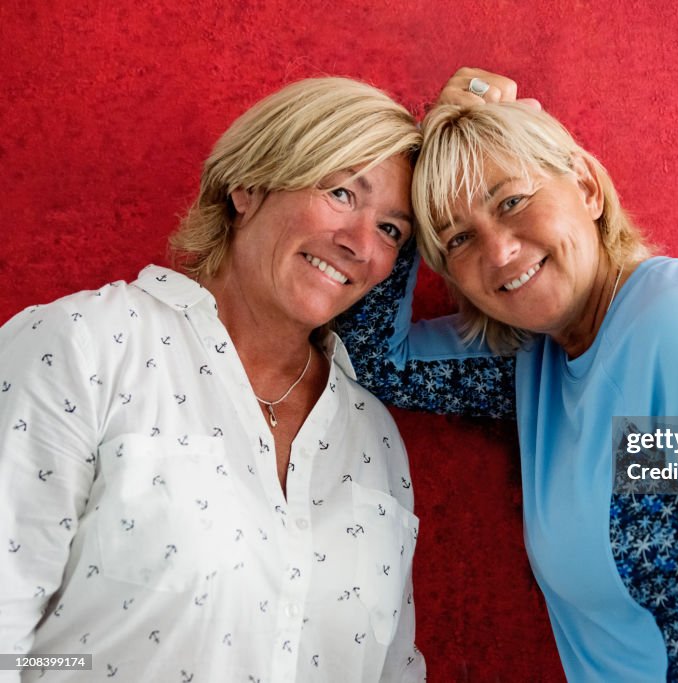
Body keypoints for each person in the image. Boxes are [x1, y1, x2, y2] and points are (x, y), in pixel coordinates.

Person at [337, 69, 678, 682]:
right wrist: (413, 173)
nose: (497, 252)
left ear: (588, 187)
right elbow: (375, 361)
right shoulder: (539, 360)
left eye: (512, 201)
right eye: (460, 239)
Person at [0, 77, 424, 682]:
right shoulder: (84, 347)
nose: (360, 244)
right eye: (339, 193)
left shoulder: (374, 437)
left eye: (391, 230)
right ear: (248, 186)